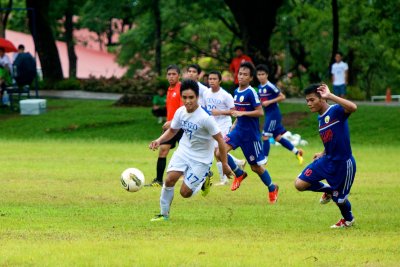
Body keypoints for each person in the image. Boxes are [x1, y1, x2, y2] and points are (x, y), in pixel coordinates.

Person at [149, 79, 233, 221]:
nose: (188, 101)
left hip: (201, 159)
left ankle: (204, 179)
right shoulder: (180, 112)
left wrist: (224, 164)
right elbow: (172, 130)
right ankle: (164, 215)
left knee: (185, 193)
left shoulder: (205, 118)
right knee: (169, 180)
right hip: (183, 152)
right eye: (185, 97)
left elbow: (220, 140)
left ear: (197, 97)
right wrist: (158, 140)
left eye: (191, 97)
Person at [295, 83, 357, 228]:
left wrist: (331, 96)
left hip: (343, 163)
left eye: (312, 100)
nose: (309, 104)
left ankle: (348, 220)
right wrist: (322, 153)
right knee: (299, 184)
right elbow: (332, 138)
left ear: (322, 99)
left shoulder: (335, 110)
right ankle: (329, 190)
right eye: (307, 101)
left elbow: (353, 107)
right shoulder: (320, 118)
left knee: (340, 200)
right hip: (327, 160)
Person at [216, 62, 279, 204]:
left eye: (245, 75)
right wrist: (234, 124)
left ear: (250, 78)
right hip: (238, 131)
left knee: (255, 167)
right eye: (240, 74)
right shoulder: (237, 92)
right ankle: (239, 173)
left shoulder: (251, 92)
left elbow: (260, 112)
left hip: (250, 135)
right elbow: (238, 113)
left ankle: (272, 187)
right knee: (219, 152)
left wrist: (242, 113)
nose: (242, 77)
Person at [203, 70, 246, 186]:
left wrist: (220, 112)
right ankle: (237, 163)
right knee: (215, 151)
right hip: (212, 124)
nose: (211, 81)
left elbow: (234, 111)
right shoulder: (206, 93)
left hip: (224, 124)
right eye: (210, 79)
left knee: (218, 151)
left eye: (214, 79)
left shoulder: (226, 95)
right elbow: (206, 109)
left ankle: (224, 179)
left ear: (220, 81)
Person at [256, 64, 304, 165]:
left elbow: (282, 97)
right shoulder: (260, 87)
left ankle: (264, 161)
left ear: (267, 75)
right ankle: (297, 152)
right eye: (259, 74)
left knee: (265, 136)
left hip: (274, 114)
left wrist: (270, 102)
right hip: (269, 114)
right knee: (278, 137)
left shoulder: (270, 86)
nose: (260, 76)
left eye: (262, 74)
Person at [146, 65, 184, 187]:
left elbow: (184, 110)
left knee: (187, 153)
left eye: (174, 74)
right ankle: (158, 180)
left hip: (182, 127)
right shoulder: (169, 89)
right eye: (169, 74)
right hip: (171, 128)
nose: (171, 76)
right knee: (162, 150)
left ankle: (202, 175)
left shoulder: (182, 88)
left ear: (179, 75)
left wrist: (172, 121)